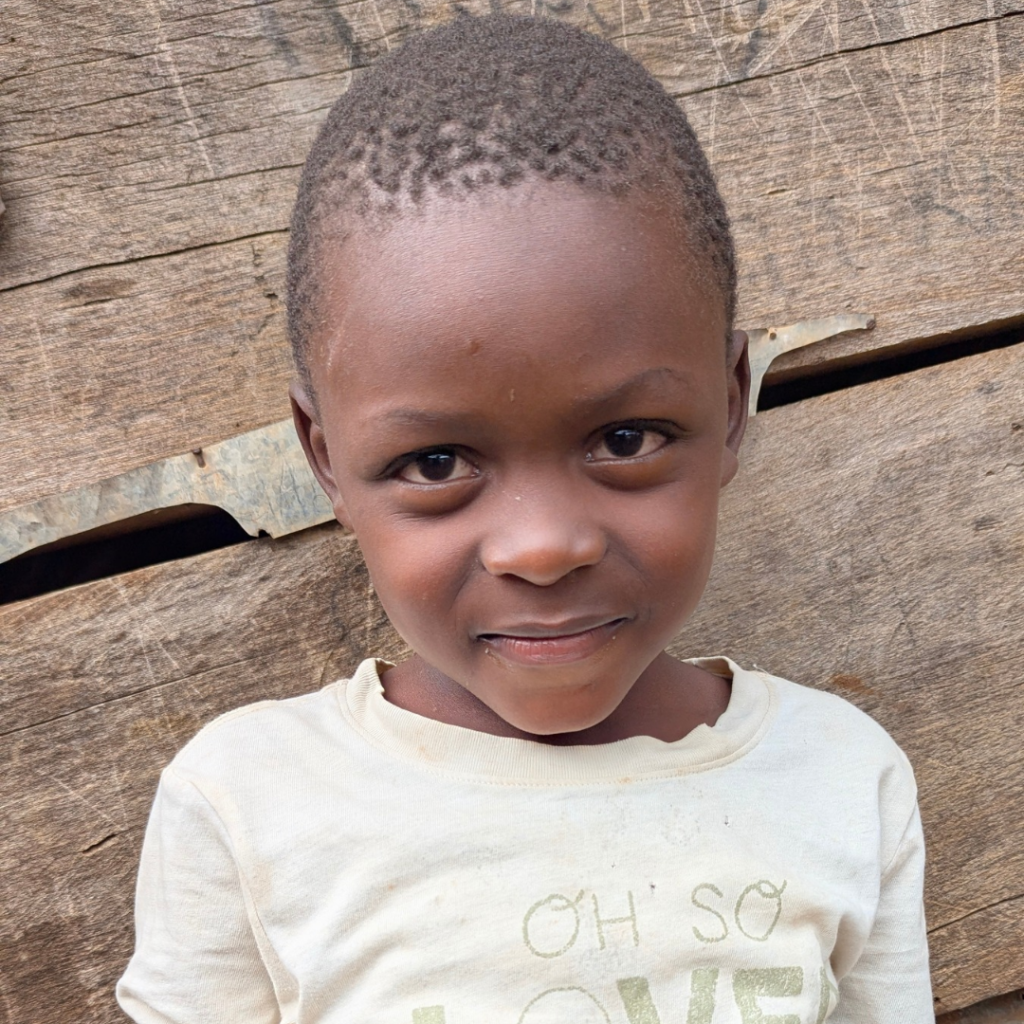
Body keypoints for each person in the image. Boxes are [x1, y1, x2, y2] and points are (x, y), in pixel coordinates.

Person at [117, 14, 932, 1023]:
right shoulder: (248, 807)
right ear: (325, 457)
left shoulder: (838, 779)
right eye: (436, 463)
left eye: (625, 439)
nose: (543, 546)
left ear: (730, 406)